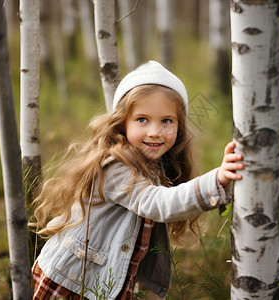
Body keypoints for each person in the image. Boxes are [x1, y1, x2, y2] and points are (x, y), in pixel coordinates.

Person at [29, 60, 244, 299]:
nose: (155, 131)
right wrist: (217, 179)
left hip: (99, 282)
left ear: (179, 125)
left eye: (166, 121)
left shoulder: (155, 163)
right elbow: (158, 203)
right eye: (142, 119)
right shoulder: (116, 167)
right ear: (122, 123)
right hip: (73, 281)